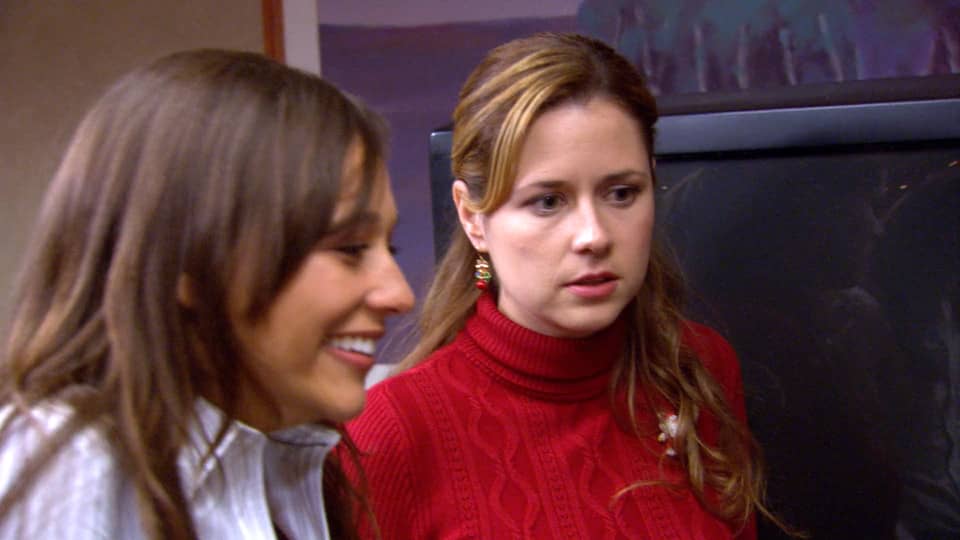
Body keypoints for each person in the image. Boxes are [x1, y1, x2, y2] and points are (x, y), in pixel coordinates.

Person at [346, 32, 778, 538]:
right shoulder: (388, 436)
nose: (594, 236)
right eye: (548, 202)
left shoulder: (700, 369)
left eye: (622, 193)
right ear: (472, 218)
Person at [0, 49, 414, 539]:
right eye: (349, 248)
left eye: (390, 248)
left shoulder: (291, 467)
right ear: (186, 257)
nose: (400, 294)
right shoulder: (73, 461)